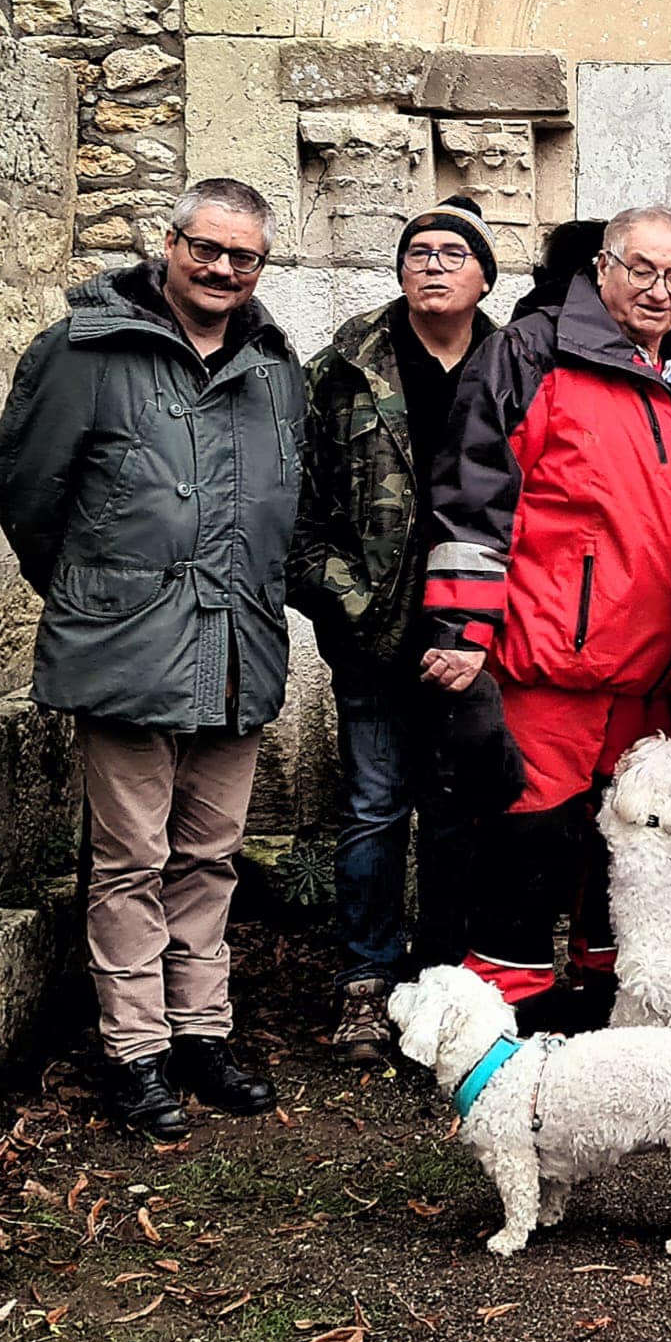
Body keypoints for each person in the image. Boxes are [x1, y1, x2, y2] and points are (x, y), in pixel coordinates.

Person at [0, 179, 299, 1138]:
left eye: (244, 256)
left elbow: (290, 502)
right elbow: (27, 489)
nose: (222, 269)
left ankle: (202, 1030)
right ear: (169, 243)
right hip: (127, 646)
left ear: (260, 267)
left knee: (210, 854)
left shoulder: (272, 365)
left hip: (238, 643)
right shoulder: (85, 349)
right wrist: (100, 591)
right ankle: (135, 1048)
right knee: (130, 858)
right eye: (206, 248)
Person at [422, 205, 671, 1012]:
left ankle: (613, 1007)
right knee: (527, 836)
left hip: (658, 666)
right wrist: (462, 629)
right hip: (550, 656)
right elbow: (471, 499)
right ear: (602, 268)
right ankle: (508, 1014)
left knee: (636, 847)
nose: (658, 290)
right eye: (641, 270)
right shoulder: (529, 352)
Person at [288, 195, 500, 1064]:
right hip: (373, 638)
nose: (433, 265)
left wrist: (492, 624)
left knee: (457, 812)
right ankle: (365, 983)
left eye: (453, 252)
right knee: (375, 806)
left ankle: (443, 980)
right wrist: (349, 602)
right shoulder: (342, 368)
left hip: (474, 637)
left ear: (485, 276)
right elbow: (292, 508)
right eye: (419, 251)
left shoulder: (514, 366)